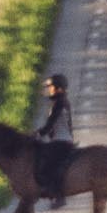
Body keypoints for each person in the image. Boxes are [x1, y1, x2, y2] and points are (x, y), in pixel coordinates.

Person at [31, 69, 76, 205]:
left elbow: (51, 123)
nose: (49, 90)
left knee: (48, 164)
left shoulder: (60, 103)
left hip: (61, 140)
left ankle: (59, 196)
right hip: (61, 139)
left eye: (51, 87)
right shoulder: (60, 102)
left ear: (59, 89)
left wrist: (38, 134)